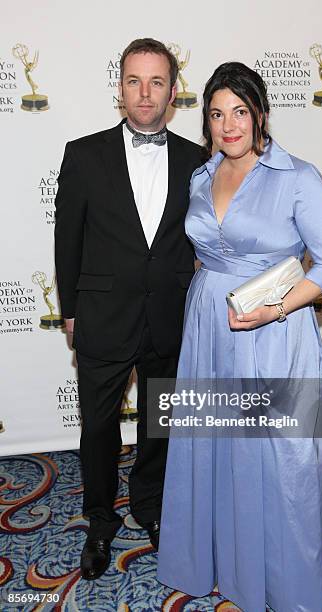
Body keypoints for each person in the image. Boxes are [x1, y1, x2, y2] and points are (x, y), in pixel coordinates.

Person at [157, 62, 322, 611]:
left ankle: (287, 586)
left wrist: (272, 310)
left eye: (239, 112)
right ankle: (215, 562)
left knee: (283, 461)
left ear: (260, 113)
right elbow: (205, 250)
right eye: (216, 114)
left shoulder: (298, 177)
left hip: (275, 334)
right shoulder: (201, 175)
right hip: (209, 331)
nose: (228, 125)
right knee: (211, 448)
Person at [54, 38, 204, 581]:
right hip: (101, 315)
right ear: (119, 88)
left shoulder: (196, 159)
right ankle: (100, 519)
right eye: (135, 81)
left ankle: (152, 506)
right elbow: (67, 239)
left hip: (169, 314)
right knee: (97, 427)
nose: (146, 93)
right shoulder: (83, 153)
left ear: (173, 91)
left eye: (157, 81)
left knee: (159, 422)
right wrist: (69, 309)